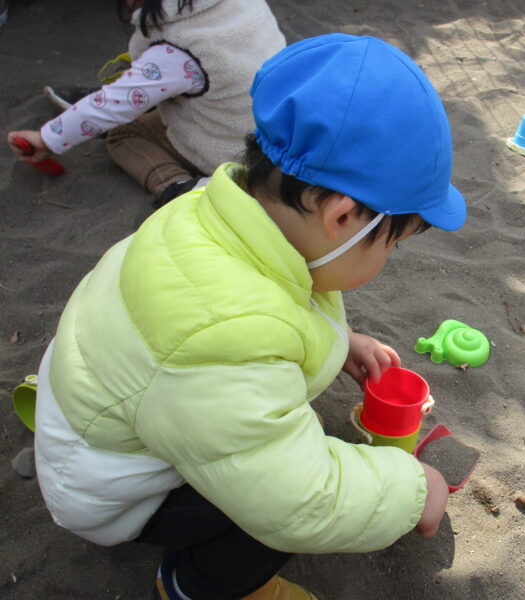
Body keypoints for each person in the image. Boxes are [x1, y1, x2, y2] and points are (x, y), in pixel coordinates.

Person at [32, 33, 467, 600]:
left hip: (96, 410)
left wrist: (342, 339)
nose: (390, 258)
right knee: (273, 511)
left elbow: (272, 292)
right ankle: (192, 585)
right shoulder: (223, 334)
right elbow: (298, 500)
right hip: (110, 490)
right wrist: (412, 489)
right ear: (342, 218)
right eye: (394, 244)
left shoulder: (211, 210)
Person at [7, 0, 285, 206]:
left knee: (123, 135)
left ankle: (180, 189)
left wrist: (46, 139)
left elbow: (111, 105)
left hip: (232, 150)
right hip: (277, 131)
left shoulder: (178, 49)